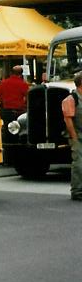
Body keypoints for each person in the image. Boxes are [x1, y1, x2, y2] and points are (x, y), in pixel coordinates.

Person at [60, 72, 82, 201]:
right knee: (79, 164)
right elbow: (68, 119)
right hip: (77, 136)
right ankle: (77, 191)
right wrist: (74, 137)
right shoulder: (71, 99)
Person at [0, 65, 28, 140]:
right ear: (21, 74)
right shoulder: (23, 84)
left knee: (8, 130)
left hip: (6, 111)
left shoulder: (3, 83)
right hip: (19, 112)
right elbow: (27, 98)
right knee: (20, 131)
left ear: (11, 73)